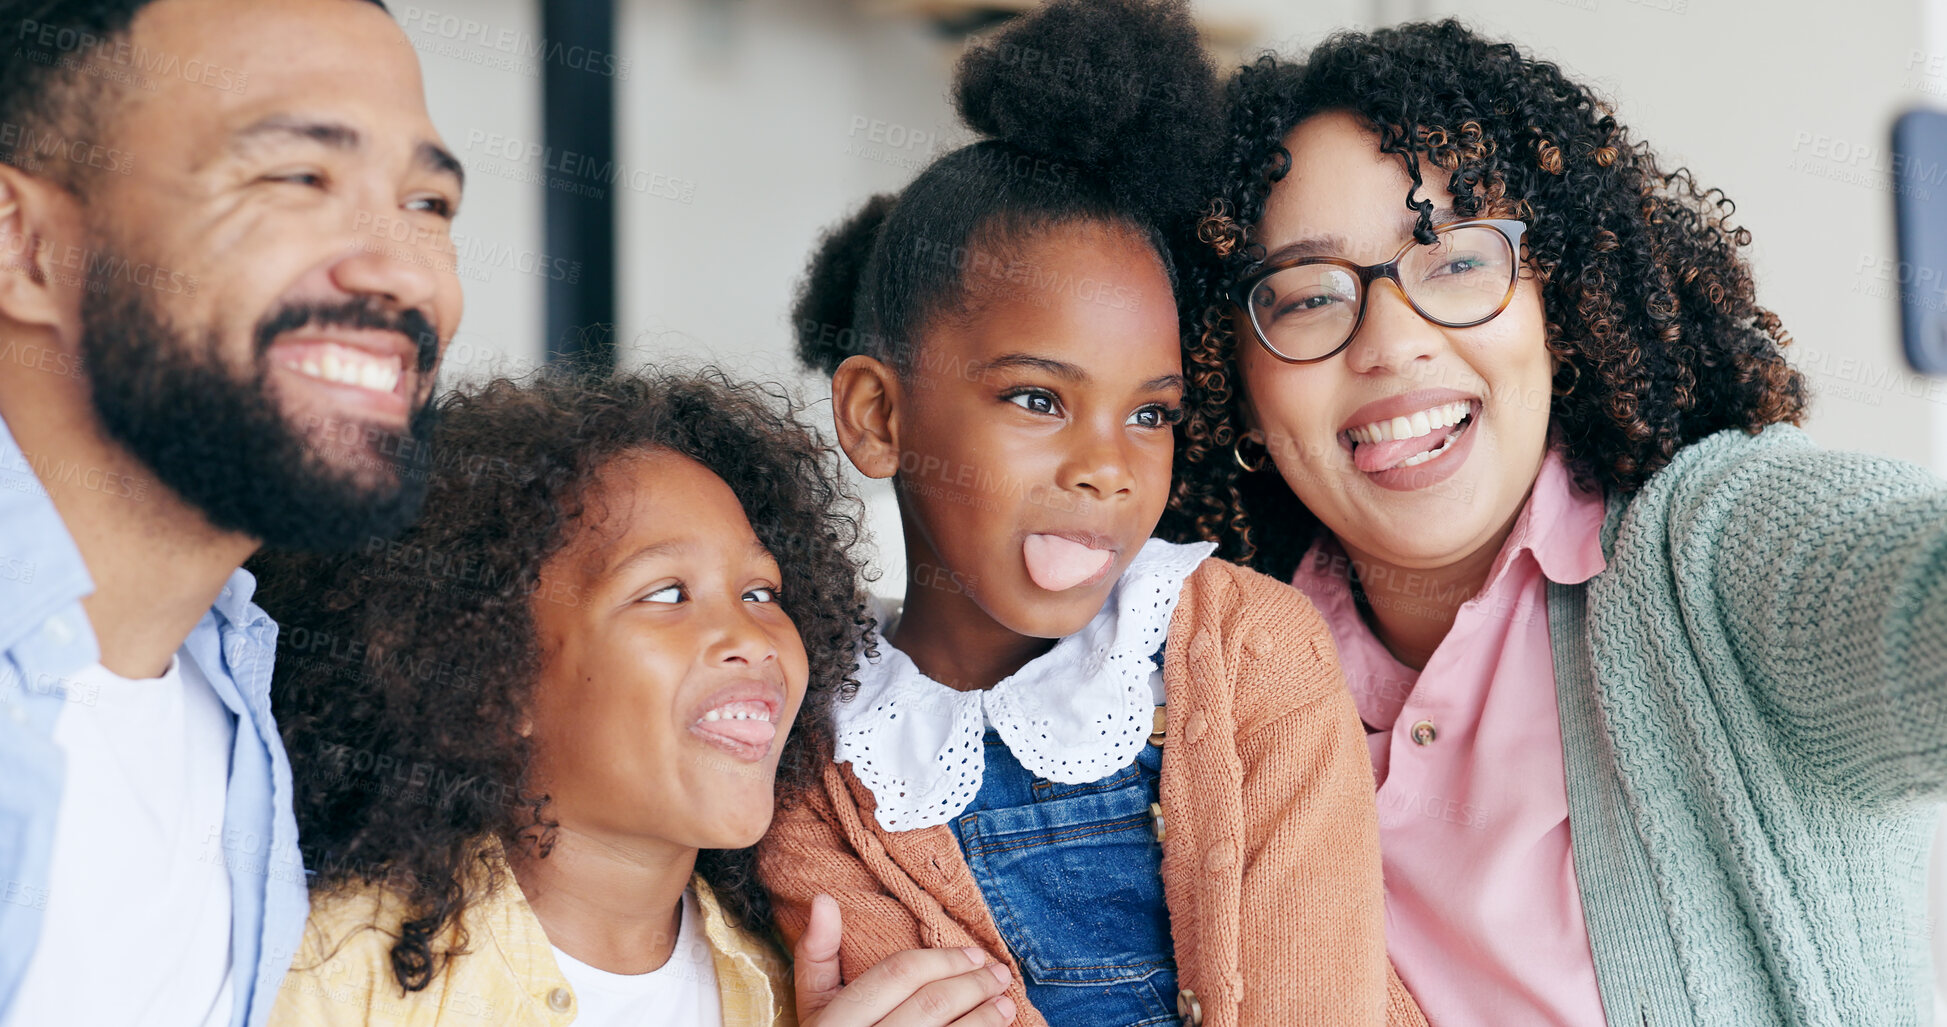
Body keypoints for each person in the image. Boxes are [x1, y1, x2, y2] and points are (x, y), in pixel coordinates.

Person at [1166, 18, 1947, 1026]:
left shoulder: (1707, 558)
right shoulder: (1203, 674)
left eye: (1454, 264)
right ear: (1229, 371)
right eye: (1310, 296)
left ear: (1557, 302)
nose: (1393, 346)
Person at [757, 3, 1418, 1025]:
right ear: (878, 415)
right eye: (1038, 399)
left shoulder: (1253, 652)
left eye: (1151, 413)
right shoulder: (818, 763)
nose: (1110, 468)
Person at [256, 368, 1023, 1027]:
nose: (753, 635)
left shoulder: (791, 983)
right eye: (665, 592)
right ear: (492, 673)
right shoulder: (331, 968)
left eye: (761, 590)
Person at [0, 0, 463, 1024]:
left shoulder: (234, 698)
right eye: (299, 177)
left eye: (429, 204)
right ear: (24, 245)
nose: (400, 270)